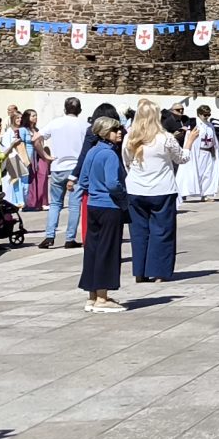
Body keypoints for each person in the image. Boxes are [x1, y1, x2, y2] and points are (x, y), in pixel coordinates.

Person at [125, 99, 185, 283]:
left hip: (136, 188)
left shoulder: (130, 137)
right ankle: (159, 271)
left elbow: (126, 161)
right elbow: (181, 158)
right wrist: (189, 143)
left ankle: (140, 271)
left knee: (139, 232)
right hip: (162, 189)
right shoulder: (165, 138)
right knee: (162, 231)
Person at [76, 112, 130, 313]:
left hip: (93, 205)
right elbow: (113, 183)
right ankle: (102, 298)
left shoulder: (92, 151)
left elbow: (83, 180)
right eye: (115, 130)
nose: (119, 132)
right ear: (106, 132)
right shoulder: (109, 154)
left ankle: (92, 295)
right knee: (108, 251)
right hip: (110, 206)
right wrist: (123, 195)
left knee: (93, 250)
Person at [39, 96, 88, 246]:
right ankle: (70, 238)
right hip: (76, 168)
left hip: (57, 167)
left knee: (55, 203)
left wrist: (45, 155)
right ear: (79, 110)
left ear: (65, 109)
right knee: (74, 205)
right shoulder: (84, 125)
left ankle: (49, 235)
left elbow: (36, 137)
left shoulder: (55, 123)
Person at [179, 104, 219, 201]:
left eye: (208, 114)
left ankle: (205, 194)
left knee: (207, 173)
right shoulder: (194, 124)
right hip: (196, 153)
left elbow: (213, 139)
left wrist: (214, 150)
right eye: (205, 115)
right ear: (199, 114)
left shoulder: (210, 126)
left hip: (208, 152)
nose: (207, 117)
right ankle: (184, 192)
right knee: (192, 172)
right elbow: (189, 139)